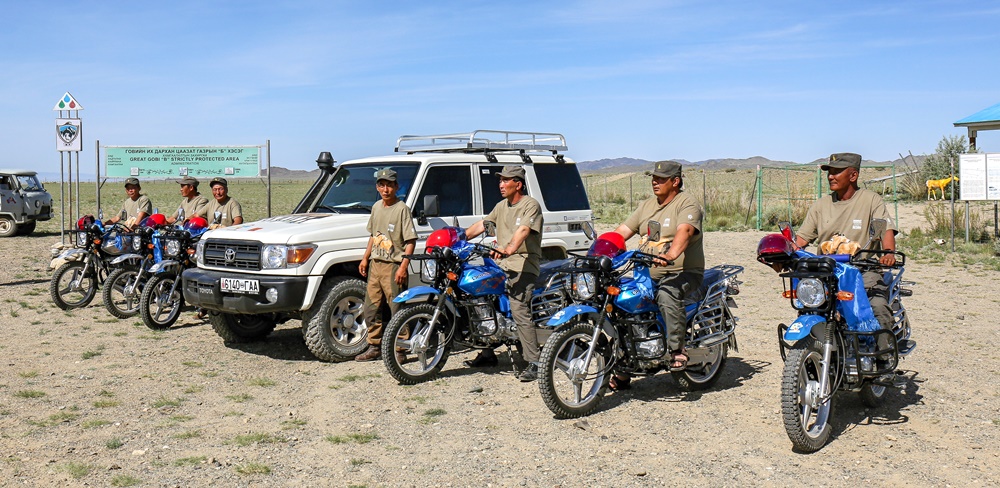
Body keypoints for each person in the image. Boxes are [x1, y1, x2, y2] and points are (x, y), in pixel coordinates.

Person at [613, 160, 704, 386]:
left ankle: (676, 349)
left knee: (667, 293)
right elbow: (622, 231)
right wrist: (603, 249)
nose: (655, 182)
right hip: (648, 273)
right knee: (621, 299)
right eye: (653, 178)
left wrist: (671, 255)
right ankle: (624, 363)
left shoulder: (687, 204)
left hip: (683, 271)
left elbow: (686, 230)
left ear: (676, 181)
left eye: (661, 179)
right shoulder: (646, 206)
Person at [794, 152, 897, 340]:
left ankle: (884, 358)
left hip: (862, 270)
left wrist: (888, 253)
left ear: (853, 175)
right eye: (829, 172)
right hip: (826, 272)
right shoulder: (821, 205)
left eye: (836, 172)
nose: (830, 176)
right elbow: (801, 240)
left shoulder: (871, 200)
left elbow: (886, 231)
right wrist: (783, 250)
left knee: (878, 306)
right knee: (808, 306)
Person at [463, 165, 545, 382]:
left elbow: (524, 230)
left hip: (523, 265)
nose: (500, 184)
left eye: (505, 180)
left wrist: (509, 248)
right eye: (500, 181)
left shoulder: (530, 205)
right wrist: (459, 238)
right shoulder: (501, 206)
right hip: (501, 264)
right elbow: (483, 224)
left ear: (517, 184)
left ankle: (535, 361)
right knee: (481, 298)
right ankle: (488, 351)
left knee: (518, 308)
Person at [355, 169, 417, 362]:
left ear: (396, 187)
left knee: (397, 308)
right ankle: (375, 346)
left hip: (393, 266)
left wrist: (403, 267)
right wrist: (365, 258)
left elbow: (410, 241)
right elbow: (373, 236)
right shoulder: (376, 207)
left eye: (389, 185)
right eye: (382, 185)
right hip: (376, 264)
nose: (385, 189)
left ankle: (401, 349)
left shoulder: (401, 209)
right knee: (371, 308)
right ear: (377, 187)